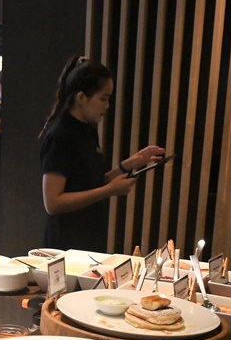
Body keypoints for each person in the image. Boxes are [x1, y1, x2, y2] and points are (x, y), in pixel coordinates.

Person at [38, 56, 165, 250]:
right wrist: (109, 191)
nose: (107, 106)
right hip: (65, 246)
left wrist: (129, 165)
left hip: (90, 238)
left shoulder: (88, 129)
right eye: (103, 99)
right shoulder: (60, 136)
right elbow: (53, 202)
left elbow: (93, 184)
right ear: (81, 97)